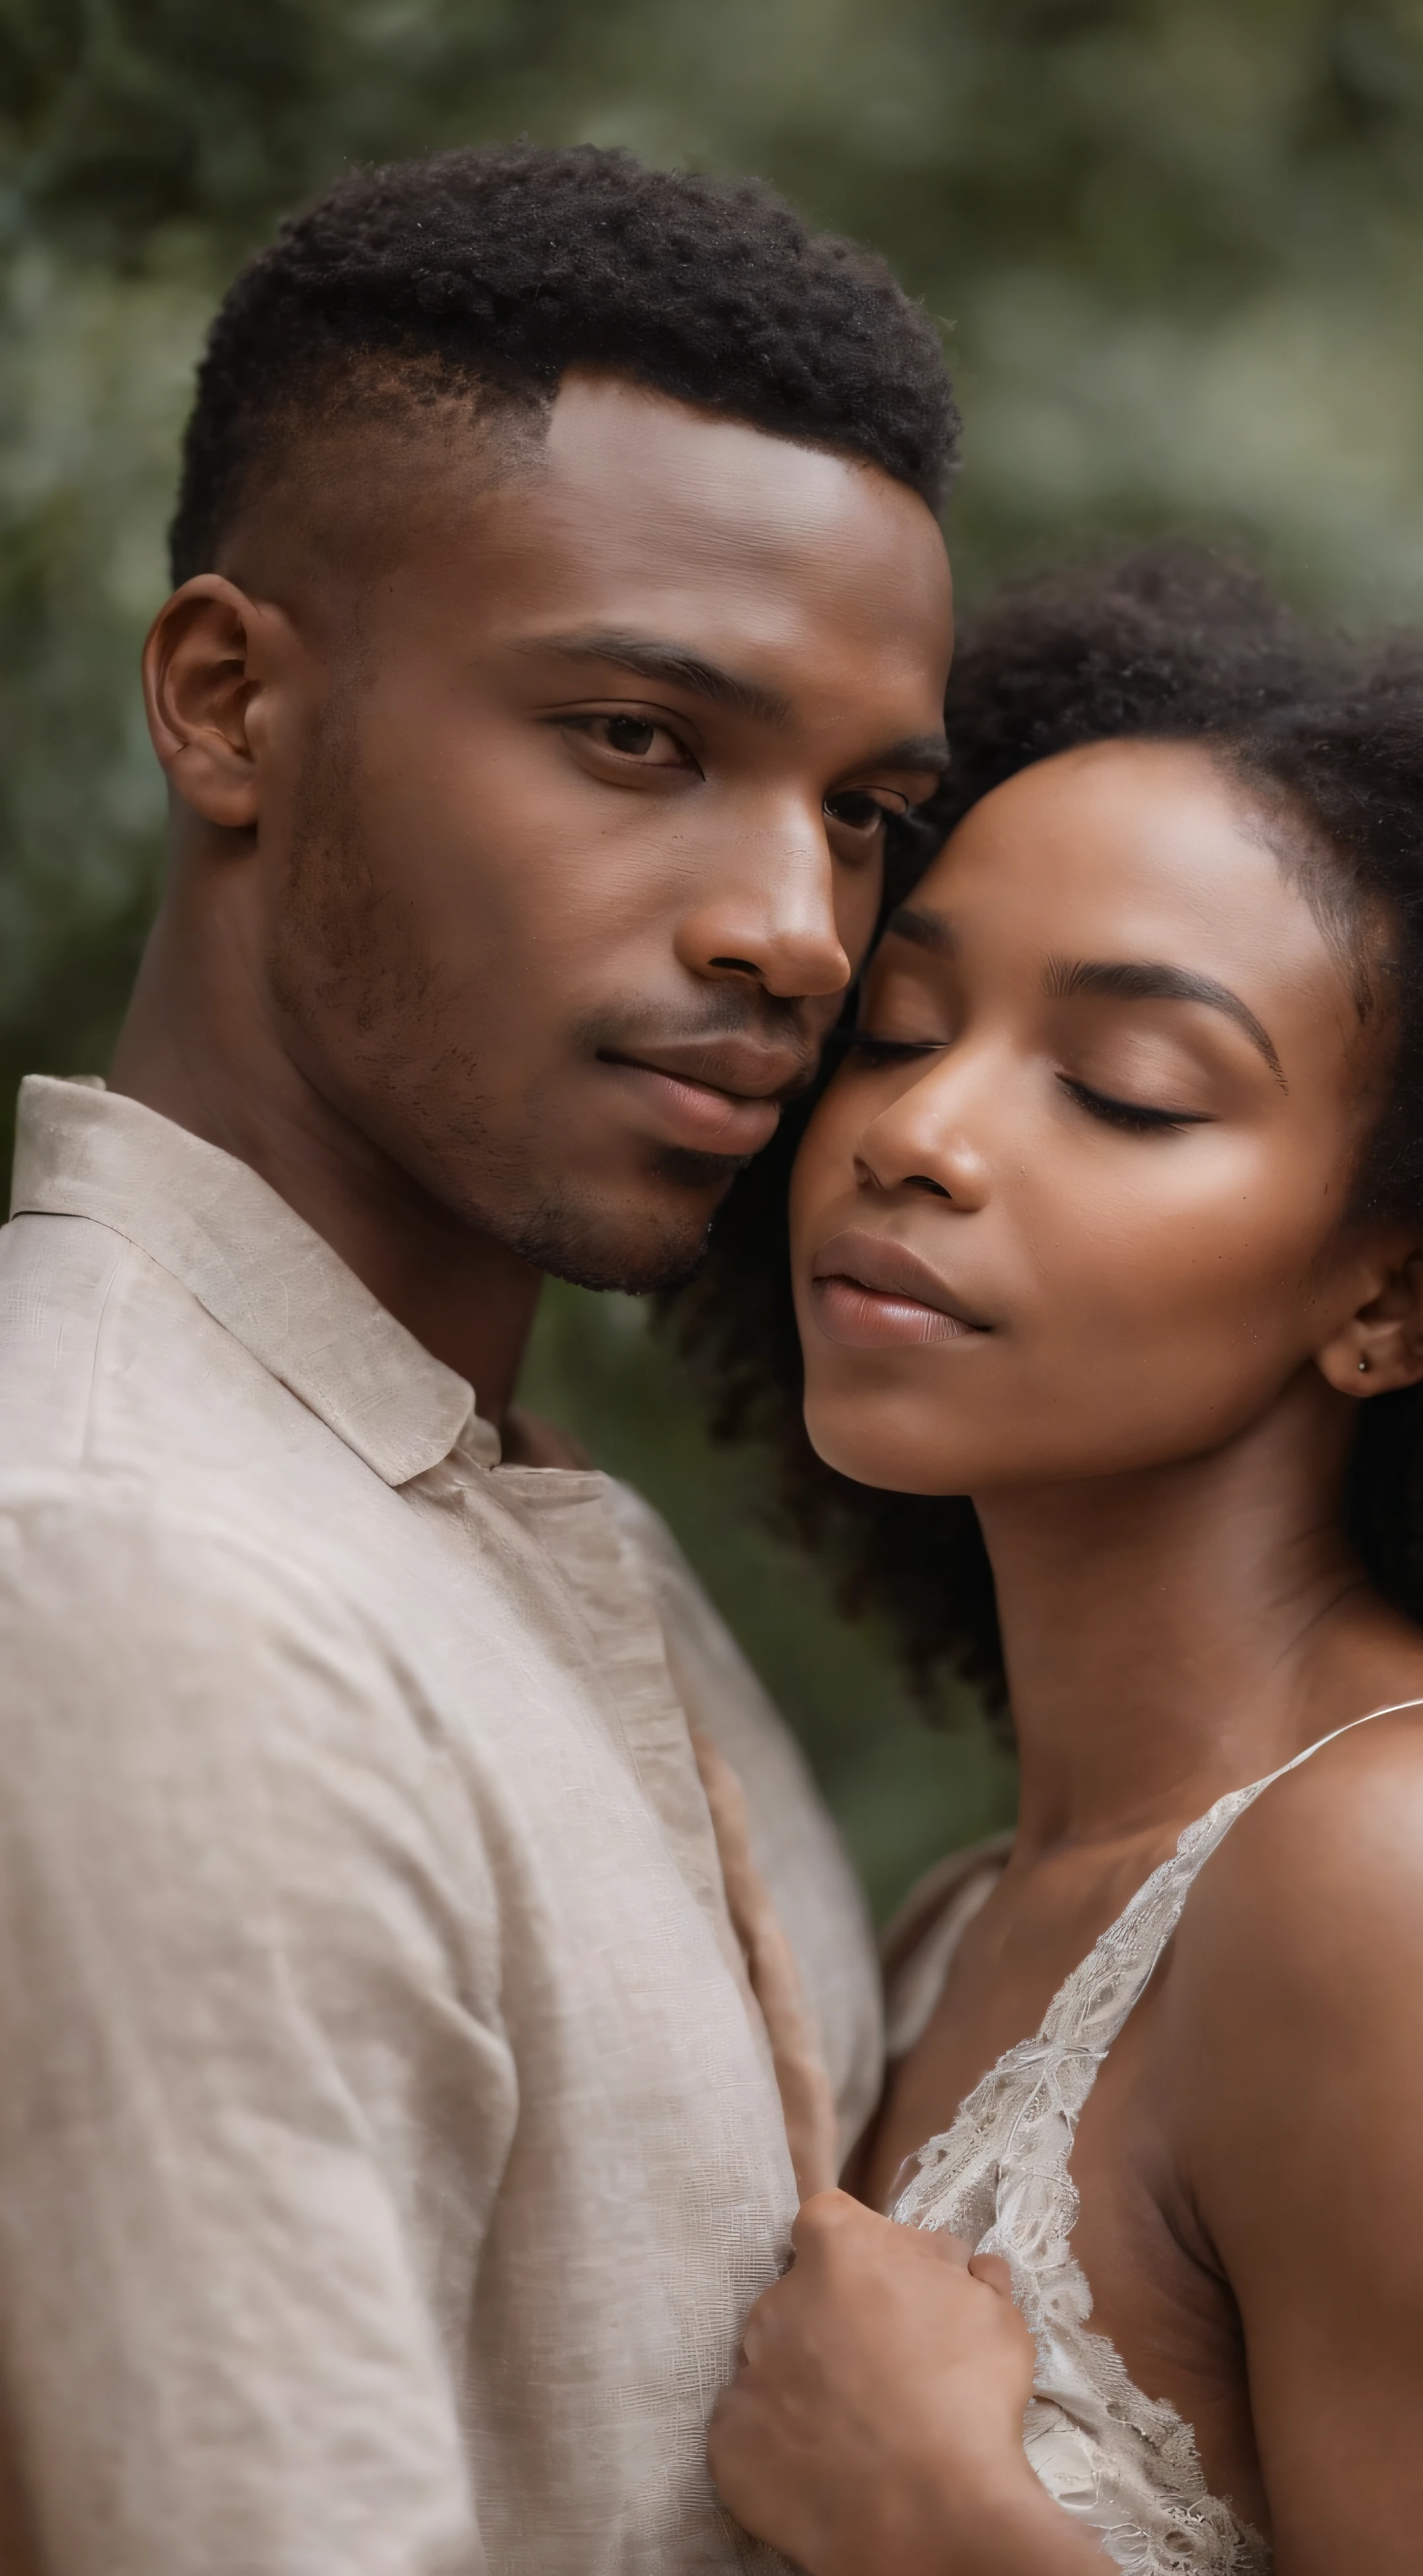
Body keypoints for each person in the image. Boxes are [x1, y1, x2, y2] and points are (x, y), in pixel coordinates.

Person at [0, 142, 957, 2573]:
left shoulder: (524, 1532)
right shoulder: (142, 1585)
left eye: (860, 813)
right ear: (227, 704)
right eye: (640, 737)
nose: (795, 933)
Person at [691, 552, 1423, 2575]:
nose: (918, 1133)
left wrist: (935, 2526)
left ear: (1391, 1298)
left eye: (1124, 1089)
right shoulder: (958, 1923)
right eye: (901, 1027)